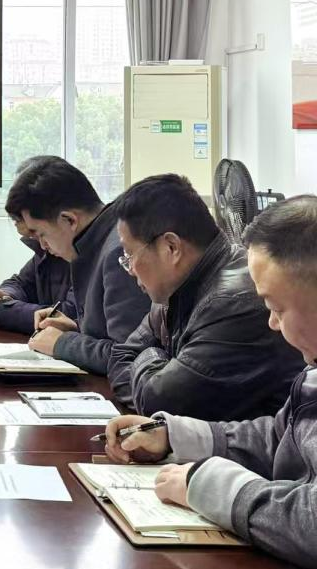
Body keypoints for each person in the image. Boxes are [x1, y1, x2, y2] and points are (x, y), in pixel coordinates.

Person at [103, 195, 317, 569]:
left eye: (276, 307)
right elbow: (279, 437)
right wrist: (174, 437)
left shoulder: (230, 300)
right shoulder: (311, 374)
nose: (271, 322)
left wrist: (210, 486)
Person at [107, 174, 302, 419]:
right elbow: (120, 358)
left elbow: (159, 402)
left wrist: (151, 355)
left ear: (171, 248)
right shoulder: (174, 291)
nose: (130, 269)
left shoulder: (233, 302)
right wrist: (160, 367)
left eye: (129, 255)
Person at [4, 156, 150, 374]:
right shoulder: (93, 242)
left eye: (41, 234)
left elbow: (130, 357)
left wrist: (62, 343)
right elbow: (110, 334)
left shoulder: (118, 253)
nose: (42, 245)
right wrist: (76, 327)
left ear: (69, 220)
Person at [0, 215, 75, 335]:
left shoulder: (84, 258)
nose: (42, 245)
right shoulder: (45, 253)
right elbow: (21, 283)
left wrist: (0, 308)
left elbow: (68, 315)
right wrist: (6, 295)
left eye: (39, 234)